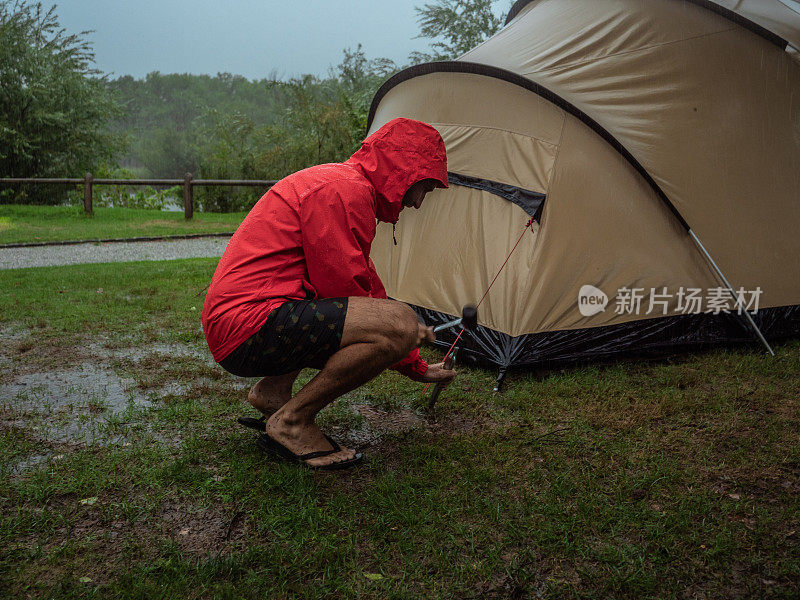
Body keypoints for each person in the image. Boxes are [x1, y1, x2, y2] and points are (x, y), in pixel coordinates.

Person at [201, 118, 457, 469]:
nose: (418, 204)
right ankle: (292, 422)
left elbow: (365, 284)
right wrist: (404, 335)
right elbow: (348, 291)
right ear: (405, 172)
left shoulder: (346, 185)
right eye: (424, 189)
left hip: (244, 322)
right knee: (398, 322)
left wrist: (417, 366)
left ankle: (273, 393)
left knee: (388, 319)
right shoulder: (343, 191)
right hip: (247, 325)